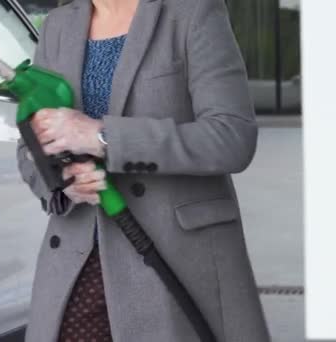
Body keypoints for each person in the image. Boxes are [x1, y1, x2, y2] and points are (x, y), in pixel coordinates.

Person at [16, 0, 271, 341]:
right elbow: (29, 145)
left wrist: (102, 136)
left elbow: (232, 137)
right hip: (77, 263)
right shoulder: (58, 25)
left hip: (173, 258)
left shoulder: (192, 12)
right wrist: (61, 184)